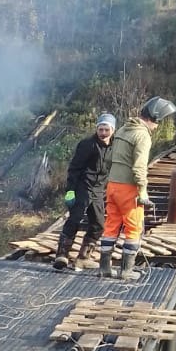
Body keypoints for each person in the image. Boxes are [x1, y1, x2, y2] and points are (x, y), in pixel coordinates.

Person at [100, 97, 176, 281]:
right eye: (158, 122)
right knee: (134, 228)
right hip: (129, 188)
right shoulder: (142, 135)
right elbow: (139, 167)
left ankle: (105, 268)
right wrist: (142, 190)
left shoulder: (121, 130)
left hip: (112, 186)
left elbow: (109, 158)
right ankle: (126, 271)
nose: (157, 126)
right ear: (154, 117)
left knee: (111, 225)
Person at [53, 114, 115, 271]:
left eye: (106, 129)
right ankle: (62, 255)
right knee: (75, 219)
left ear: (113, 130)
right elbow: (74, 168)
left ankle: (83, 258)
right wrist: (70, 191)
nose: (103, 133)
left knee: (99, 224)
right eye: (100, 129)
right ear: (96, 129)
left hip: (99, 190)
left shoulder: (115, 148)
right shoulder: (87, 144)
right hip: (83, 187)